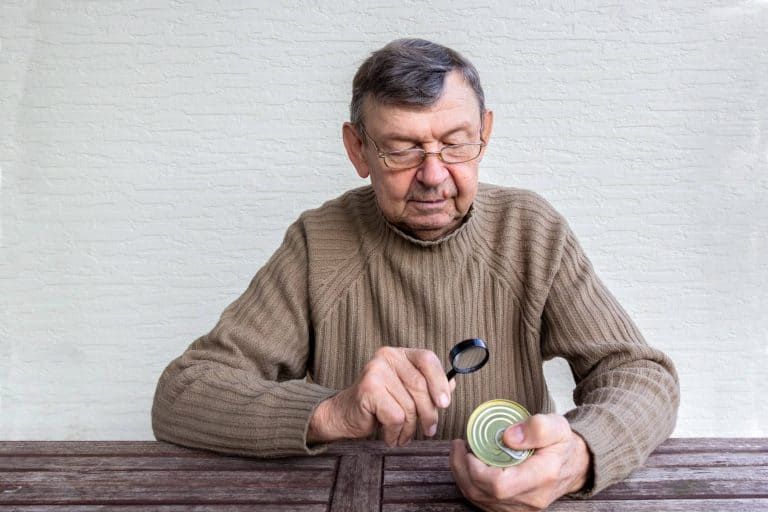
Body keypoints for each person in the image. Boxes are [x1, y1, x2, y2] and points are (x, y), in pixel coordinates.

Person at [152, 38, 679, 510]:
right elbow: (183, 395)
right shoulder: (320, 242)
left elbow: (641, 375)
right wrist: (333, 412)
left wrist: (579, 456)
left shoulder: (530, 230)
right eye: (402, 149)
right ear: (358, 149)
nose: (433, 175)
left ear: (486, 134)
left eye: (455, 143)